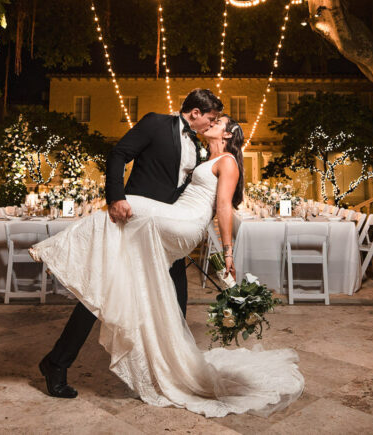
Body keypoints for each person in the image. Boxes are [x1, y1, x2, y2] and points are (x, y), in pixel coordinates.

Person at [31, 110, 304, 418]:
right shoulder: (199, 154)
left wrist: (228, 252)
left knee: (122, 210)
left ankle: (55, 248)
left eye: (218, 122)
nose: (212, 123)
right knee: (119, 289)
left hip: (182, 224)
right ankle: (156, 366)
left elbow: (224, 205)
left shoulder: (227, 161)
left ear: (228, 135)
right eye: (211, 119)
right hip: (167, 224)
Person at [36, 88, 222, 400]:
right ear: (194, 113)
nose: (211, 124)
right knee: (103, 295)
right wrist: (116, 197)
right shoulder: (155, 123)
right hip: (134, 224)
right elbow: (119, 154)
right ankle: (56, 363)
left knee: (177, 301)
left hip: (165, 231)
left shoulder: (197, 146)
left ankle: (174, 372)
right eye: (210, 118)